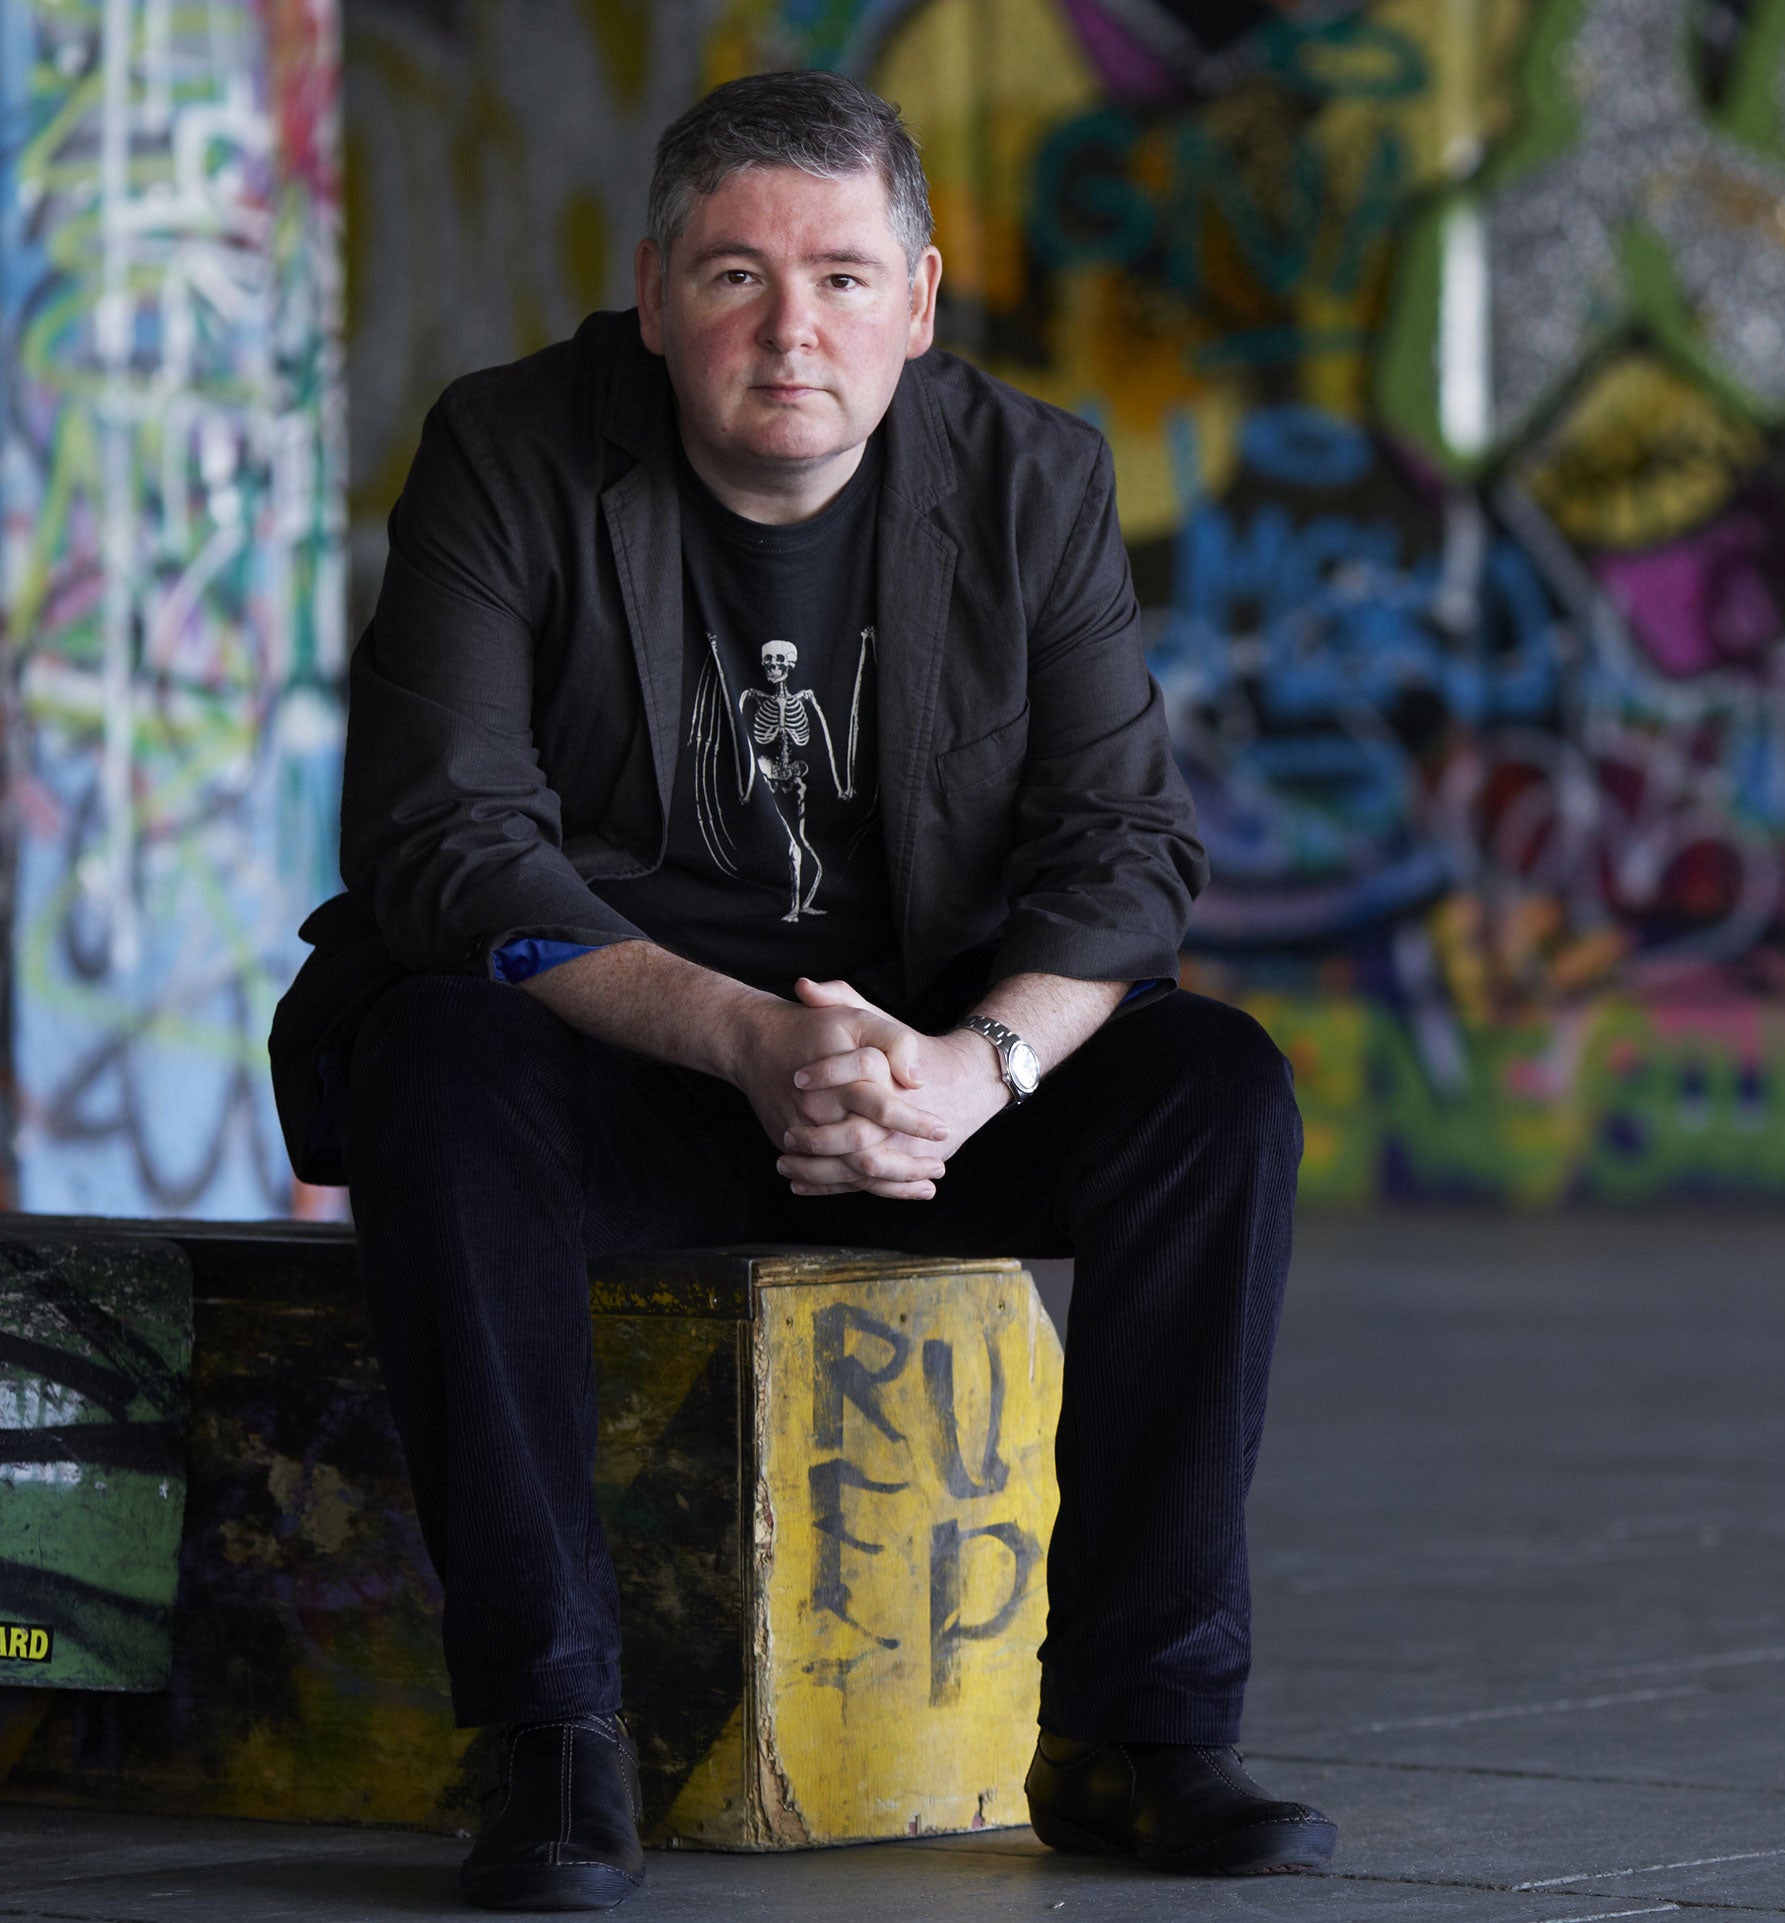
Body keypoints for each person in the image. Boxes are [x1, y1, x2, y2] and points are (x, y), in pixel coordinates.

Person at [271, 68, 1334, 1914]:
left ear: (919, 303)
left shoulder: (1032, 477)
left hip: (924, 1087)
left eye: (845, 278)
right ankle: (550, 1737)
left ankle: (1136, 1735)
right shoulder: (510, 451)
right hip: (632, 1066)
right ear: (656, 286)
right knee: (432, 1054)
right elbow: (443, 840)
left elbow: (1124, 853)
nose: (792, 329)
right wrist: (750, 1039)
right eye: (738, 276)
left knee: (1217, 1095)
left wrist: (974, 1070)